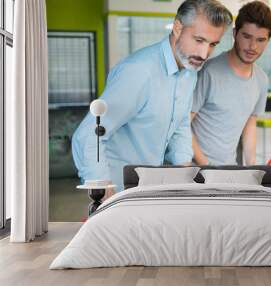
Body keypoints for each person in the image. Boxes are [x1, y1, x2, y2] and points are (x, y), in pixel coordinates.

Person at [72, 0, 233, 193]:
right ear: (177, 27)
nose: (204, 53)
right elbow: (89, 135)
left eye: (212, 44)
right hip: (117, 192)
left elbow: (180, 124)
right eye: (199, 40)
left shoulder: (190, 72)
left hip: (147, 189)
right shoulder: (139, 71)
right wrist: (103, 190)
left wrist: (186, 175)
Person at [191, 1, 271, 166]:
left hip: (228, 169)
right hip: (196, 171)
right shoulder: (209, 72)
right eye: (247, 36)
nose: (252, 46)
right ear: (235, 33)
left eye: (260, 40)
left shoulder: (261, 79)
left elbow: (250, 124)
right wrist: (206, 167)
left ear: (267, 41)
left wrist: (252, 166)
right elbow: (182, 125)